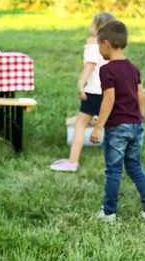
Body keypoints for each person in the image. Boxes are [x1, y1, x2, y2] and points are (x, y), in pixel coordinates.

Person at [89, 20, 145, 222]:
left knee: (113, 170)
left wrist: (98, 127)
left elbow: (109, 99)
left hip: (117, 128)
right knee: (135, 166)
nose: (99, 49)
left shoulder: (107, 70)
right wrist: (140, 117)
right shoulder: (132, 68)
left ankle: (109, 212)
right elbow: (141, 97)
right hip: (136, 126)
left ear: (107, 44)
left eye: (99, 45)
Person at [50, 11, 115, 172]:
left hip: (94, 92)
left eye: (92, 23)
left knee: (80, 124)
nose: (89, 26)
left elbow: (90, 64)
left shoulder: (93, 42)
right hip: (110, 92)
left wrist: (80, 82)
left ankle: (72, 162)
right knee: (113, 124)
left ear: (97, 26)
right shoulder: (112, 45)